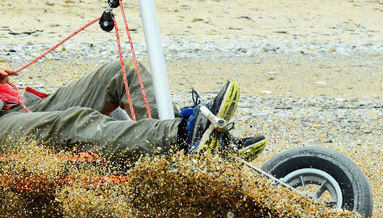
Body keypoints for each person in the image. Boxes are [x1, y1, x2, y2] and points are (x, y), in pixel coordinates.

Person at [0, 61, 265, 164]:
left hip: (20, 105)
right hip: (5, 126)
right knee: (75, 120)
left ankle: (198, 142)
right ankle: (182, 135)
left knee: (124, 72)